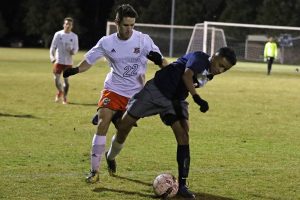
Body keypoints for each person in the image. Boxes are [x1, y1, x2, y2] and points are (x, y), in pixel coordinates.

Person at [105, 47, 237, 199]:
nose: (220, 70)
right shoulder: (200, 58)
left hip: (175, 101)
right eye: (220, 65)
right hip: (156, 91)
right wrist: (196, 98)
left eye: (224, 69)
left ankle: (182, 185)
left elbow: (179, 72)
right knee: (123, 127)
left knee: (184, 136)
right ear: (213, 56)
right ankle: (110, 154)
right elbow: (187, 76)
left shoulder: (209, 74)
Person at [63, 4, 168, 183]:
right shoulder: (107, 42)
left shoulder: (143, 40)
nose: (129, 29)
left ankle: (110, 157)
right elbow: (89, 60)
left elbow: (164, 63)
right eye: (126, 25)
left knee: (122, 132)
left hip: (135, 95)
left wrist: (159, 61)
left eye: (132, 25)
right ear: (117, 23)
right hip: (113, 88)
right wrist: (75, 70)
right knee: (103, 123)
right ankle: (94, 171)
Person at [50, 17, 79, 104]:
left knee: (66, 81)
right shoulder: (58, 34)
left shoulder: (74, 36)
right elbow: (53, 47)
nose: (67, 25)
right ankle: (60, 91)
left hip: (68, 62)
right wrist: (52, 57)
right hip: (58, 60)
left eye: (69, 24)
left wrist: (73, 52)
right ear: (63, 25)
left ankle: (64, 97)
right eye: (66, 24)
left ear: (72, 26)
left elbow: (76, 48)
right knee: (56, 80)